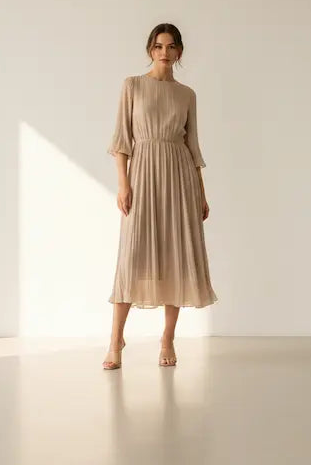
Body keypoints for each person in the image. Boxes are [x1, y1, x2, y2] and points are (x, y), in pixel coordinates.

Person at [103, 23, 218, 370]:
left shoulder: (187, 95)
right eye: (158, 46)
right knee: (132, 258)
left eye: (170, 46)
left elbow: (192, 145)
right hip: (143, 175)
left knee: (176, 256)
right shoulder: (133, 86)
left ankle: (167, 338)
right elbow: (122, 140)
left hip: (180, 177)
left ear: (179, 51)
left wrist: (201, 193)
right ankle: (115, 340)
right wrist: (123, 184)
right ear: (150, 50)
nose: (164, 52)